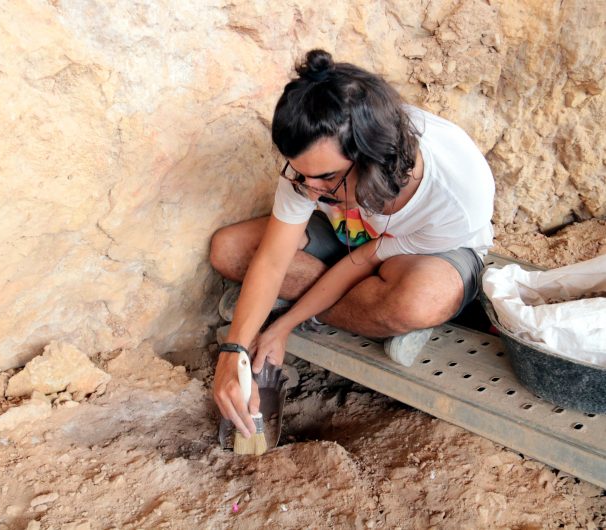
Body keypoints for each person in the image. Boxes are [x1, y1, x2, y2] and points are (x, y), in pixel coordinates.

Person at [210, 49, 495, 439]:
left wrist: (285, 320)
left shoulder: (459, 193)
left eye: (326, 178)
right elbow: (275, 259)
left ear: (373, 159)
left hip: (428, 251)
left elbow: (368, 259)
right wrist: (235, 351)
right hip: (355, 242)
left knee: (416, 299)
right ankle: (370, 316)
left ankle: (381, 315)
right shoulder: (312, 165)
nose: (309, 190)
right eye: (301, 176)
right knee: (230, 250)